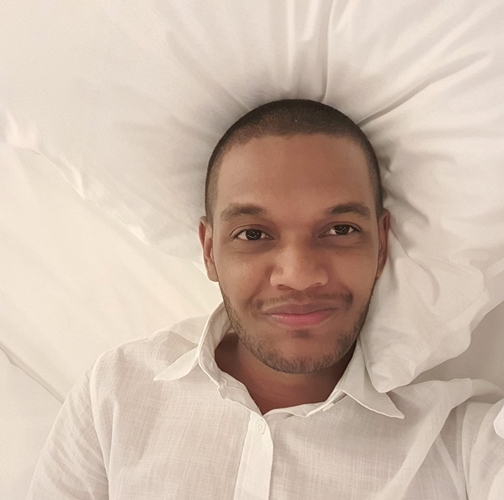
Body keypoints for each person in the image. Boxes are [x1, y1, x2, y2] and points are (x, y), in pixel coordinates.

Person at [27, 100, 504, 499]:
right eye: (253, 234)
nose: (298, 276)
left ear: (381, 245)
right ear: (210, 251)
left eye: (340, 230)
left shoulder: (460, 442)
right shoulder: (115, 393)